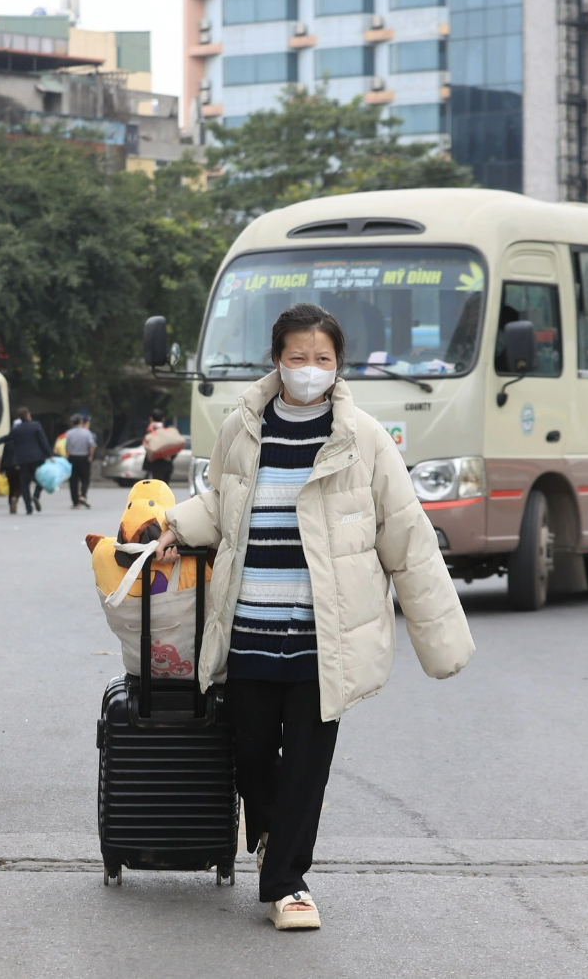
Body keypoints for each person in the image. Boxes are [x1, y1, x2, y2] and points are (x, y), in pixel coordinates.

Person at [156, 303, 475, 931]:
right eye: (297, 357)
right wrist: (174, 526)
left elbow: (406, 535)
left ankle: (288, 884)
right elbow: (221, 501)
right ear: (277, 360)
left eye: (321, 358)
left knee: (306, 764)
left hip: (323, 637)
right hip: (248, 626)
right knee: (250, 752)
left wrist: (440, 636)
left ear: (338, 364)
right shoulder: (241, 427)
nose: (309, 369)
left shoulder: (365, 440)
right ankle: (268, 832)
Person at [0, 406, 52, 515]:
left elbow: (5, 438)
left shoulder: (16, 429)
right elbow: (43, 440)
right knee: (42, 479)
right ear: (28, 415)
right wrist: (50, 455)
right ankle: (36, 495)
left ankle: (28, 508)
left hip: (23, 460)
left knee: (24, 484)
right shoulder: (36, 425)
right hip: (37, 458)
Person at [63, 413, 96, 509]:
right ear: (81, 422)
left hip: (72, 458)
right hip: (84, 457)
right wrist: (91, 456)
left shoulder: (69, 433)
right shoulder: (87, 433)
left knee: (73, 481)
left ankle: (75, 502)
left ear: (72, 423)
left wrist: (67, 457)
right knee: (85, 479)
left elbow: (67, 447)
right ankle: (83, 495)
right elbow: (92, 445)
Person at [143, 407, 176, 484]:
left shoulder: (150, 431)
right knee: (164, 487)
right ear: (163, 419)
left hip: (154, 465)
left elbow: (147, 446)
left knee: (153, 488)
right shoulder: (168, 431)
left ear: (151, 419)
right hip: (167, 464)